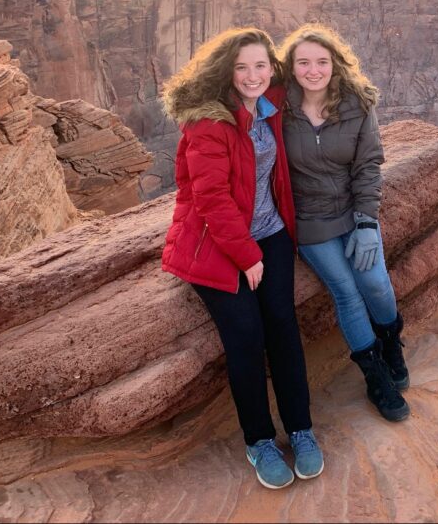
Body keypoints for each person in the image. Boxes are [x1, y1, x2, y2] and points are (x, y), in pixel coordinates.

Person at [160, 27, 323, 490]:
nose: (252, 76)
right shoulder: (209, 124)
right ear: (225, 72)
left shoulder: (269, 103)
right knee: (246, 337)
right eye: (241, 67)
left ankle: (301, 429)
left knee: (283, 327)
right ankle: (259, 440)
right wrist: (247, 256)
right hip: (216, 245)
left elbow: (319, 81)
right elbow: (210, 198)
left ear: (272, 69)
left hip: (269, 234)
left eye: (260, 66)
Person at [279, 24, 410, 422]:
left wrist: (367, 222)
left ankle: (391, 344)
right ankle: (375, 378)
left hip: (354, 212)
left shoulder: (358, 103)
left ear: (335, 64)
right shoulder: (277, 107)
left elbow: (368, 164)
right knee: (347, 292)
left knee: (375, 282)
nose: (313, 70)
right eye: (303, 62)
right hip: (310, 220)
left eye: (321, 61)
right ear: (291, 66)